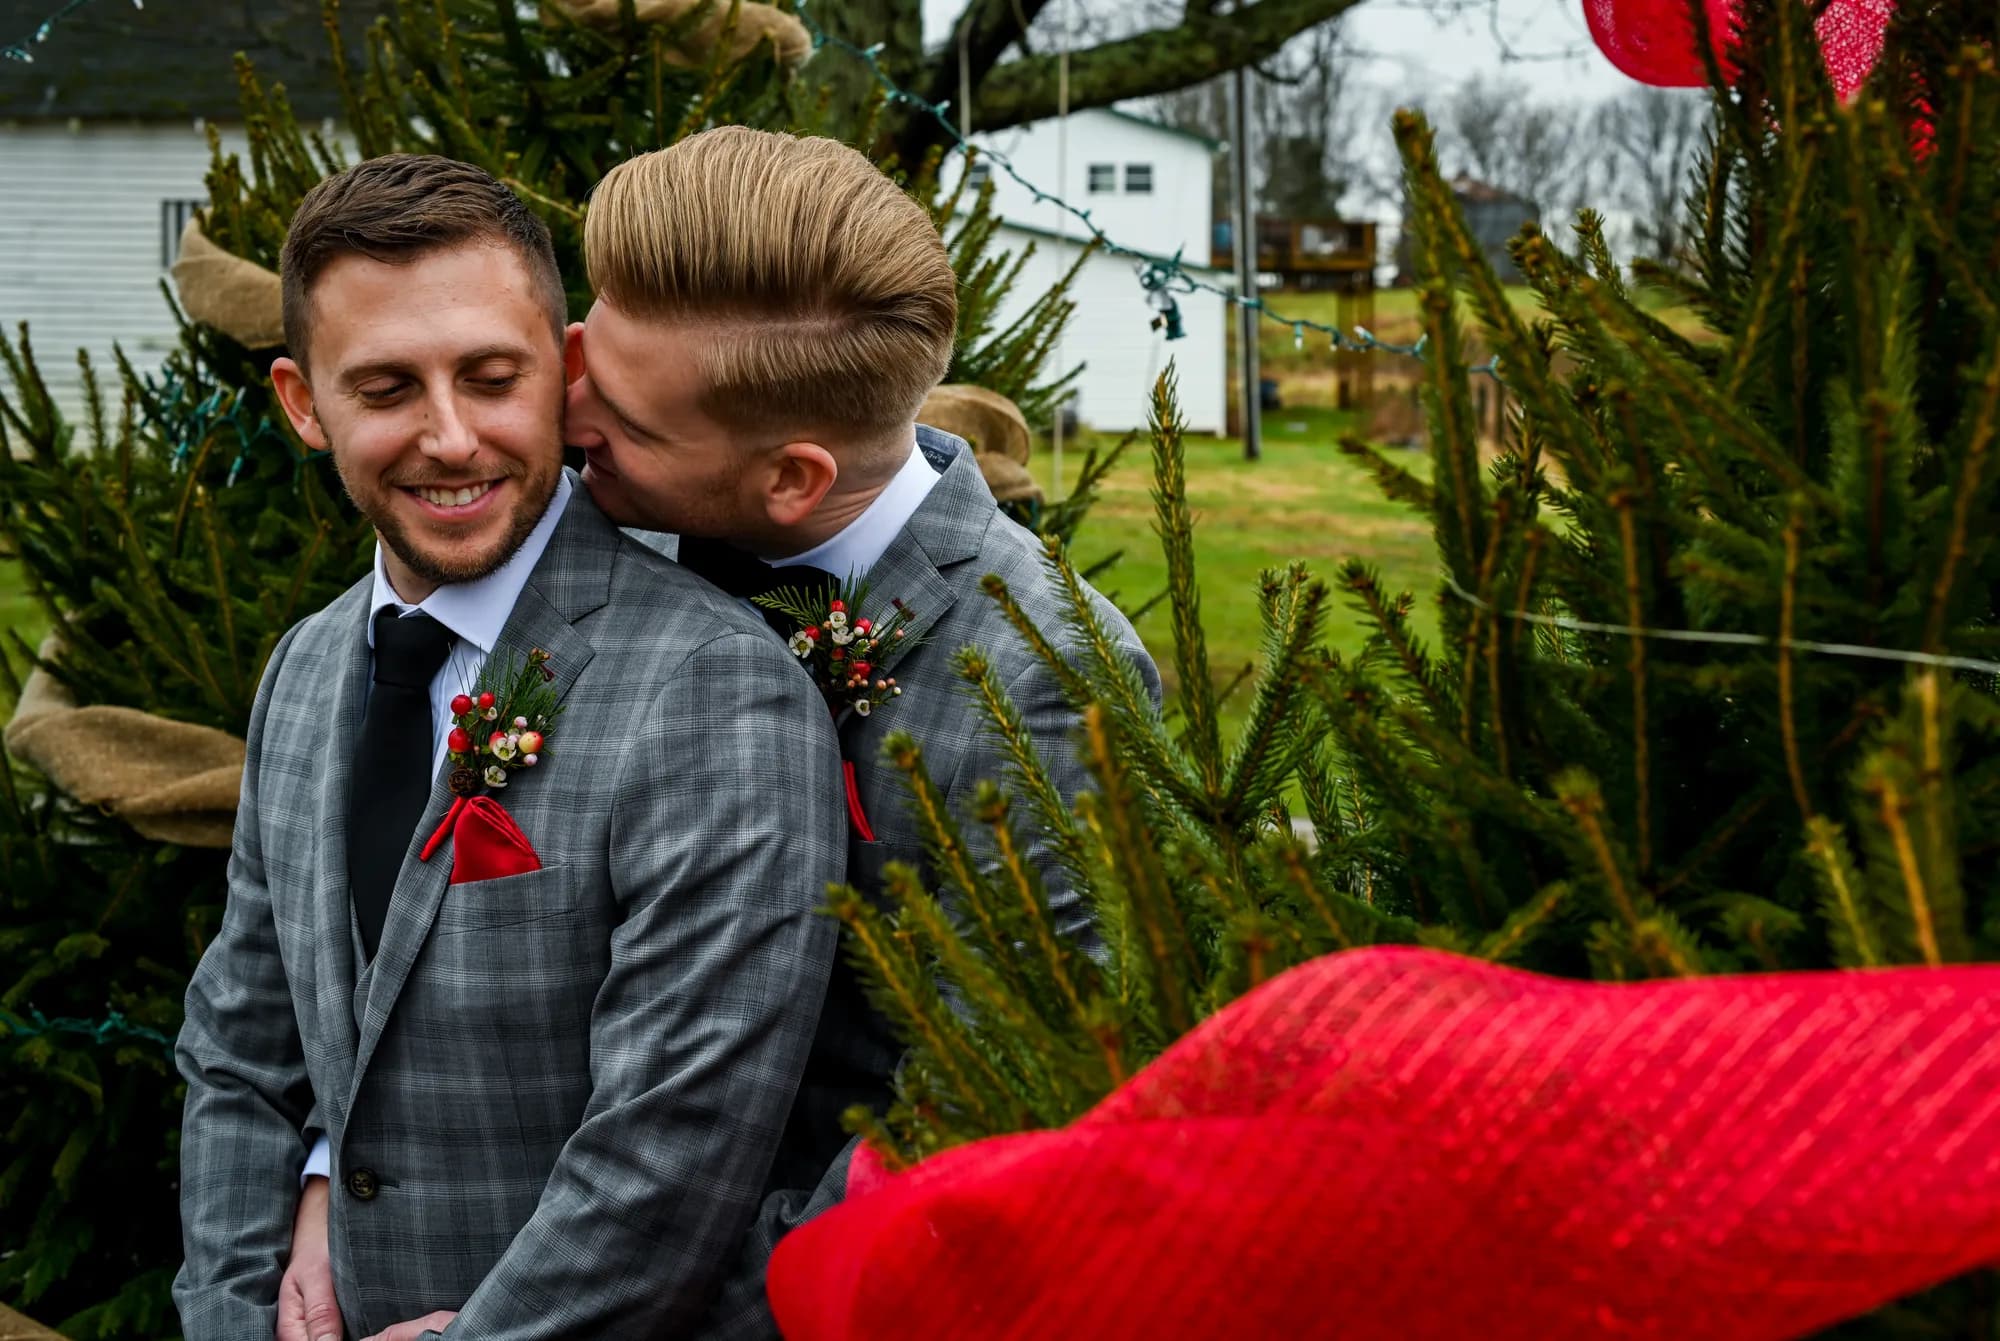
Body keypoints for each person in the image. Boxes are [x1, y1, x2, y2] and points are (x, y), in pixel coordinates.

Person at [172, 153, 846, 1341]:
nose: (449, 438)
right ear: (301, 403)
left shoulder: (714, 692)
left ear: (566, 369)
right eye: (384, 390)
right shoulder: (305, 670)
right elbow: (239, 1052)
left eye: (491, 378)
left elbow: (669, 1158)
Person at [562, 126, 1162, 1333]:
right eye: (581, 348)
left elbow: (993, 1117)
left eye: (620, 415)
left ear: (791, 480)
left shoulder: (1045, 683)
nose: (560, 411)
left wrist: (637, 1305)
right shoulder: (626, 522)